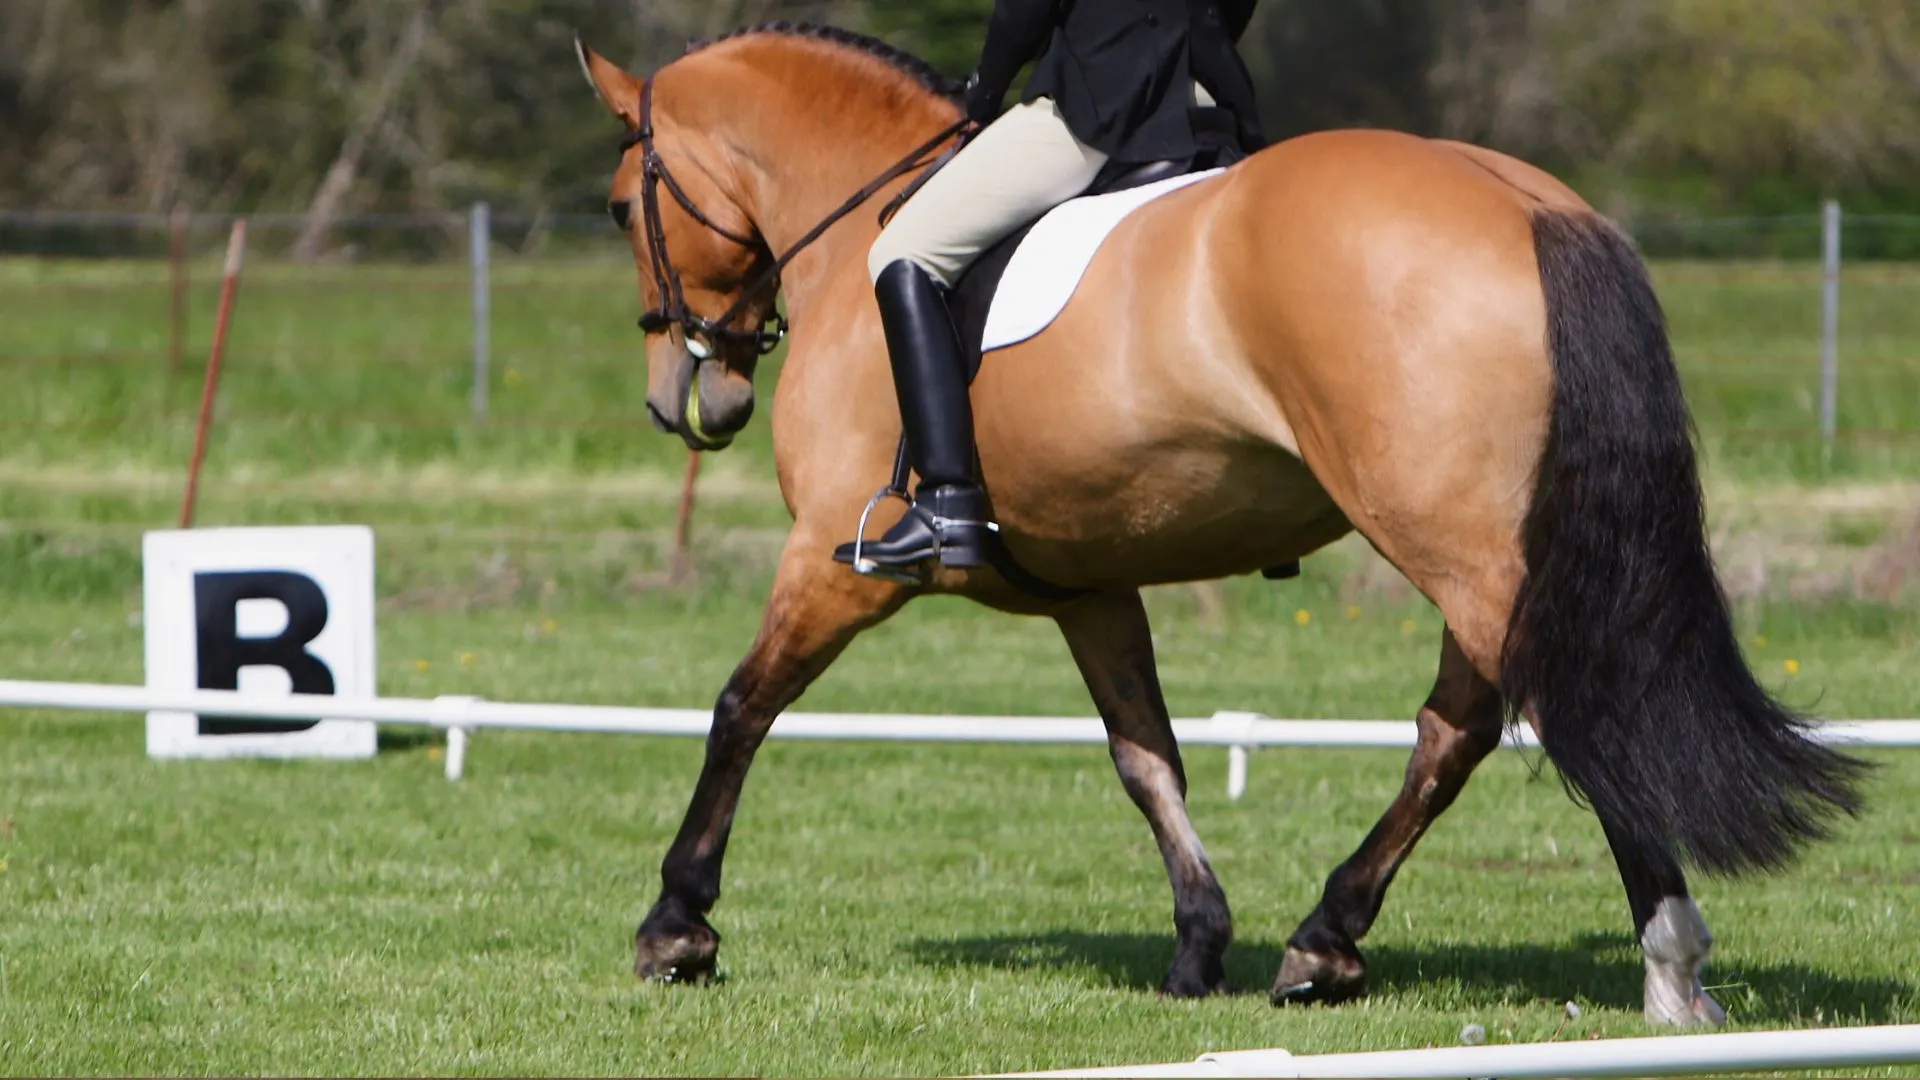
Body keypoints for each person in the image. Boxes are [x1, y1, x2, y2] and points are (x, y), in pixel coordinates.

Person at [833, 0, 1266, 580]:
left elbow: (1025, 10)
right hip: (1209, 101)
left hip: (1099, 105)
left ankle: (945, 501)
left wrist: (983, 92)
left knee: (902, 251)